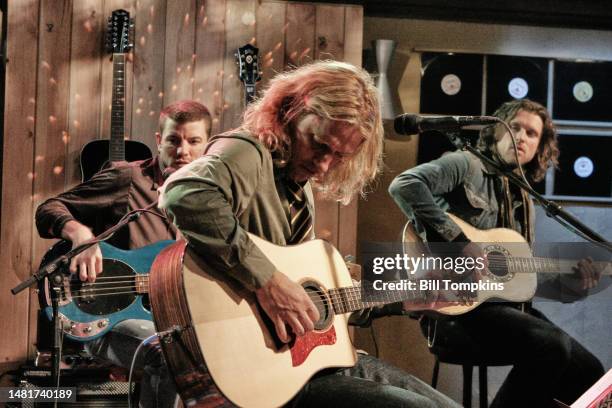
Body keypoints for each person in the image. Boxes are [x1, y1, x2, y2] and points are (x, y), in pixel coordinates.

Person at [159, 61, 461, 408]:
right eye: (318, 144)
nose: (323, 164)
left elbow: (320, 303)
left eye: (338, 155)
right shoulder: (248, 151)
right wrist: (268, 281)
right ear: (290, 111)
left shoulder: (297, 187)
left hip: (297, 364)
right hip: (253, 372)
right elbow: (184, 194)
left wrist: (408, 296)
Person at [388, 99, 605, 408]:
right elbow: (405, 184)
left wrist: (571, 286)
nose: (521, 137)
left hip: (508, 311)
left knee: (590, 373)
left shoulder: (523, 199)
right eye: (514, 127)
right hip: (457, 311)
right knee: (550, 346)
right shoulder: (466, 164)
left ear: (539, 147)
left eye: (532, 133)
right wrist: (460, 241)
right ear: (494, 132)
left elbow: (519, 282)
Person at [35, 99, 212, 408]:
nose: (182, 150)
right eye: (173, 140)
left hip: (174, 321)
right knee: (171, 352)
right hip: (106, 319)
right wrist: (82, 235)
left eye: (193, 141)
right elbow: (49, 209)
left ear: (206, 145)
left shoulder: (211, 198)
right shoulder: (129, 179)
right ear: (159, 140)